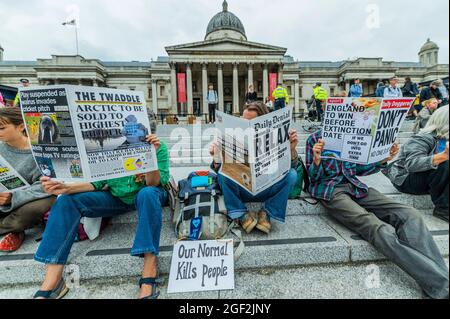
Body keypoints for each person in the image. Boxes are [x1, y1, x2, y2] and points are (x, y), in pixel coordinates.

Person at [33, 118, 170, 299]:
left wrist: (150, 156)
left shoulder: (159, 147)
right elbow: (97, 183)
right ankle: (53, 278)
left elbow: (154, 183)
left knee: (147, 193)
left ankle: (149, 267)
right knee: (66, 200)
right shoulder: (112, 148)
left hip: (149, 195)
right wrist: (66, 188)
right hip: (117, 198)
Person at [306, 129, 449, 299]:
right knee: (378, 228)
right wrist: (316, 160)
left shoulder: (354, 134)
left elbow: (359, 169)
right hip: (330, 190)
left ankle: (439, 283)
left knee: (410, 214)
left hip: (355, 186)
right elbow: (313, 178)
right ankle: (442, 286)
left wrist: (383, 159)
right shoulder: (314, 138)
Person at [210, 102, 298, 234]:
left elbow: (289, 168)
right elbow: (221, 173)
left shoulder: (276, 134)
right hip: (242, 188)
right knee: (223, 174)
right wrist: (216, 156)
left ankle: (267, 212)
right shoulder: (234, 137)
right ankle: (240, 214)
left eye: (251, 122)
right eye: (244, 121)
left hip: (266, 188)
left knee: (292, 175)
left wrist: (291, 149)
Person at [0, 108, 56, 252]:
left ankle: (13, 228)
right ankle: (11, 230)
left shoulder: (40, 150)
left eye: (2, 128)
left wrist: (13, 198)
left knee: (30, 211)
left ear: (21, 126)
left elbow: (45, 185)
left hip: (30, 199)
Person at [386, 105, 449, 222]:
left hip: (431, 179)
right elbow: (412, 164)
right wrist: (443, 156)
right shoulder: (423, 138)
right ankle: (444, 208)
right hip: (406, 179)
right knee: (445, 163)